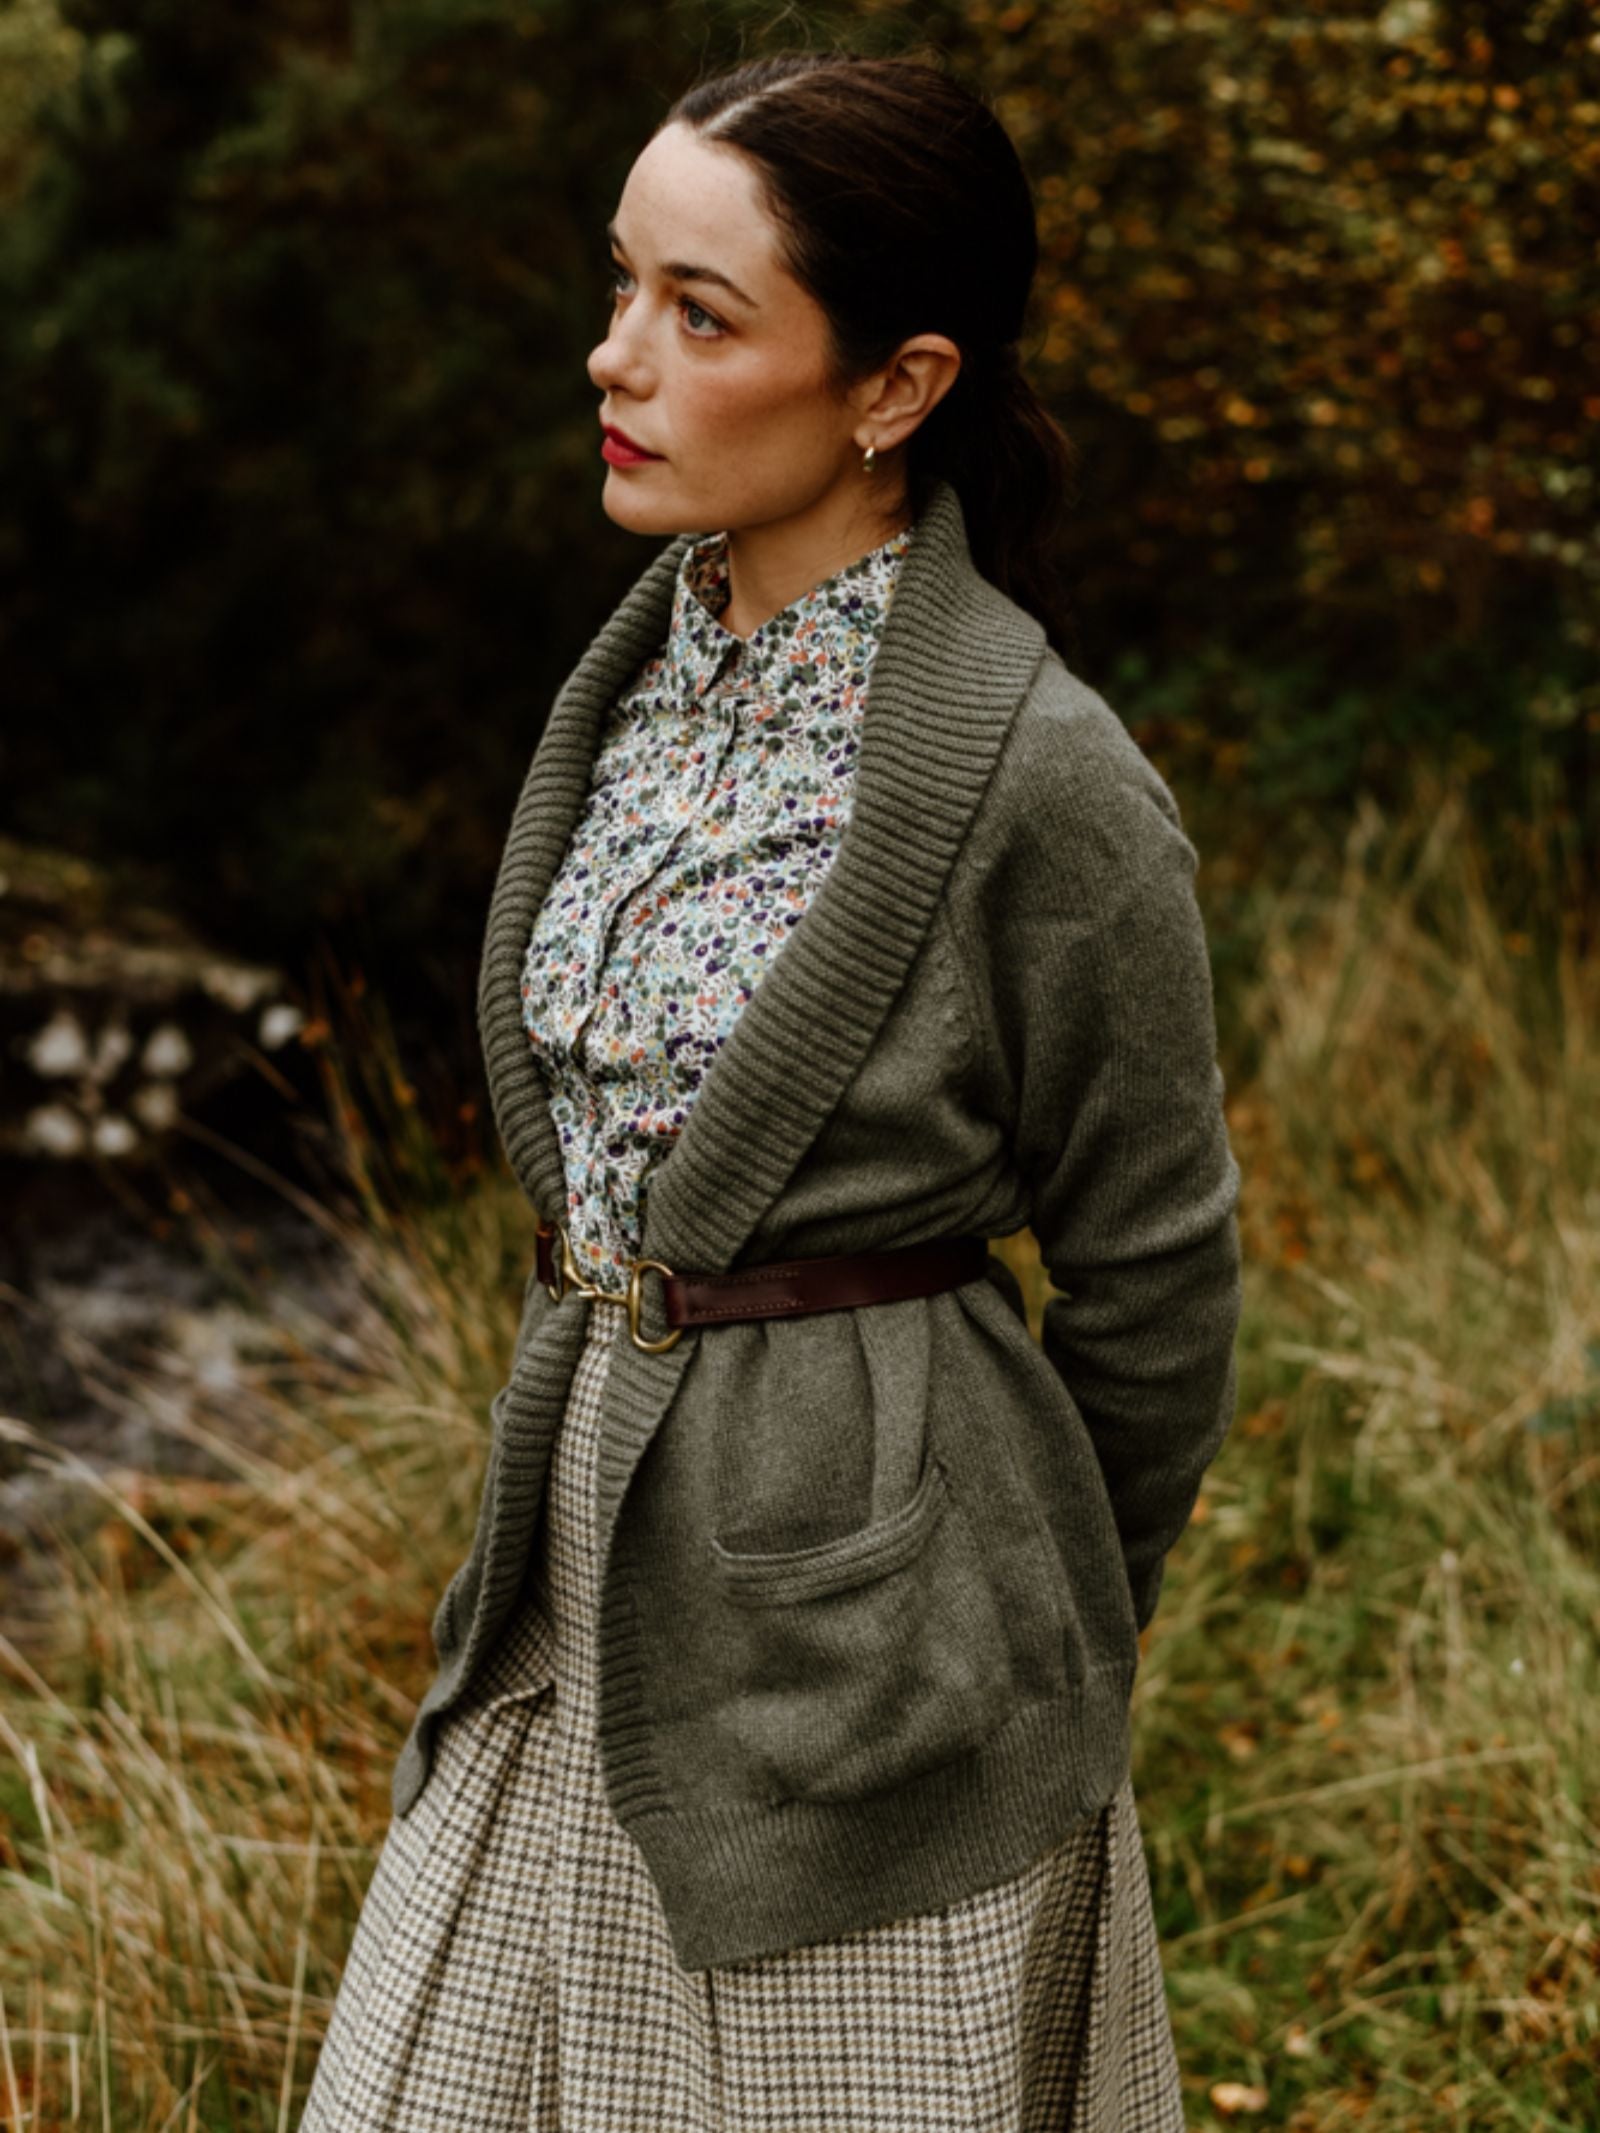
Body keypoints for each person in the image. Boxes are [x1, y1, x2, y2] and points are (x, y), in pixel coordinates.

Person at [300, 46, 1243, 2133]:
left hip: (875, 1673)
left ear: (893, 386)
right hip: (569, 1574)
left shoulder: (1046, 782)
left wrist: (998, 1618)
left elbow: (1157, 1288)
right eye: (621, 284)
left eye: (698, 313)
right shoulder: (642, 671)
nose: (613, 353)